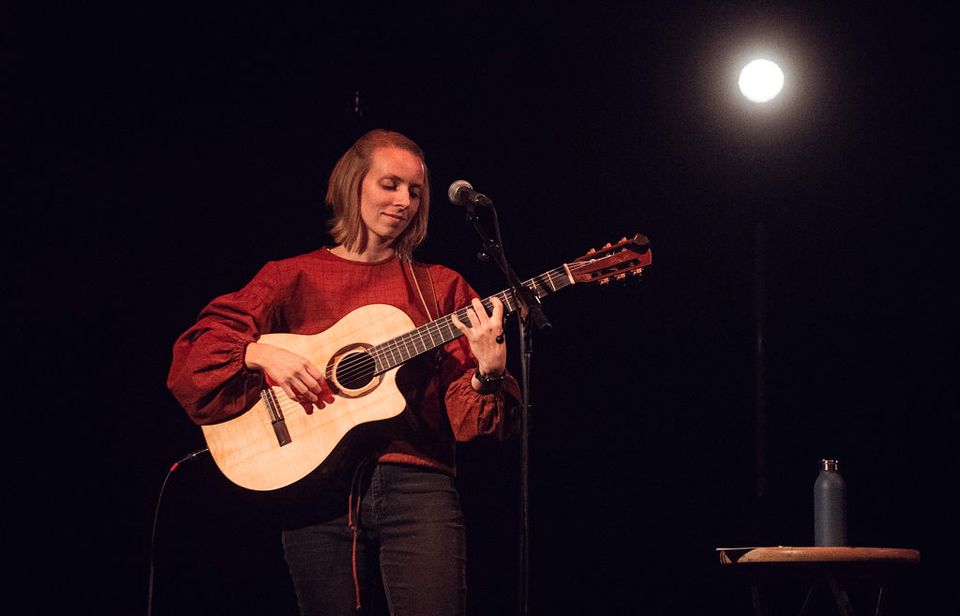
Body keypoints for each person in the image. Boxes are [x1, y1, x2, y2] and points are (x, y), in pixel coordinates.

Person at [166, 128, 520, 616]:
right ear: (354, 185)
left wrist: (490, 372)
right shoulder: (290, 276)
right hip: (317, 490)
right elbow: (194, 359)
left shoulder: (439, 288)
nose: (404, 201)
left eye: (416, 192)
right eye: (390, 184)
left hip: (418, 490)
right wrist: (258, 354)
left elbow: (468, 417)